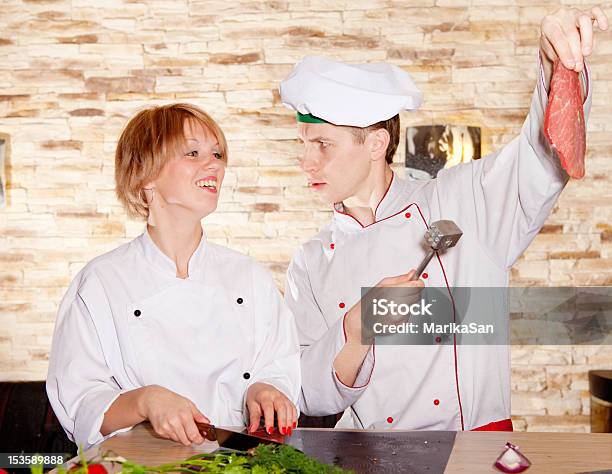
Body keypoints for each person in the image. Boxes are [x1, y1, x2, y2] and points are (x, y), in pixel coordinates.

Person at [279, 7, 608, 431]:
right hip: (373, 456)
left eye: (322, 144)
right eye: (303, 143)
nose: (306, 162)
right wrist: (361, 322)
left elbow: (540, 157)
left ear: (376, 143)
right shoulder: (310, 262)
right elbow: (309, 392)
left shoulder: (460, 199)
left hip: (475, 450)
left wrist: (553, 67)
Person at [46, 104, 300, 448]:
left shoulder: (249, 277)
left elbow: (278, 365)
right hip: (142, 466)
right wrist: (145, 400)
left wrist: (265, 390)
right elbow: (80, 405)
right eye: (193, 153)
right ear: (144, 175)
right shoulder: (102, 283)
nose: (214, 165)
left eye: (217, 153)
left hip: (238, 461)